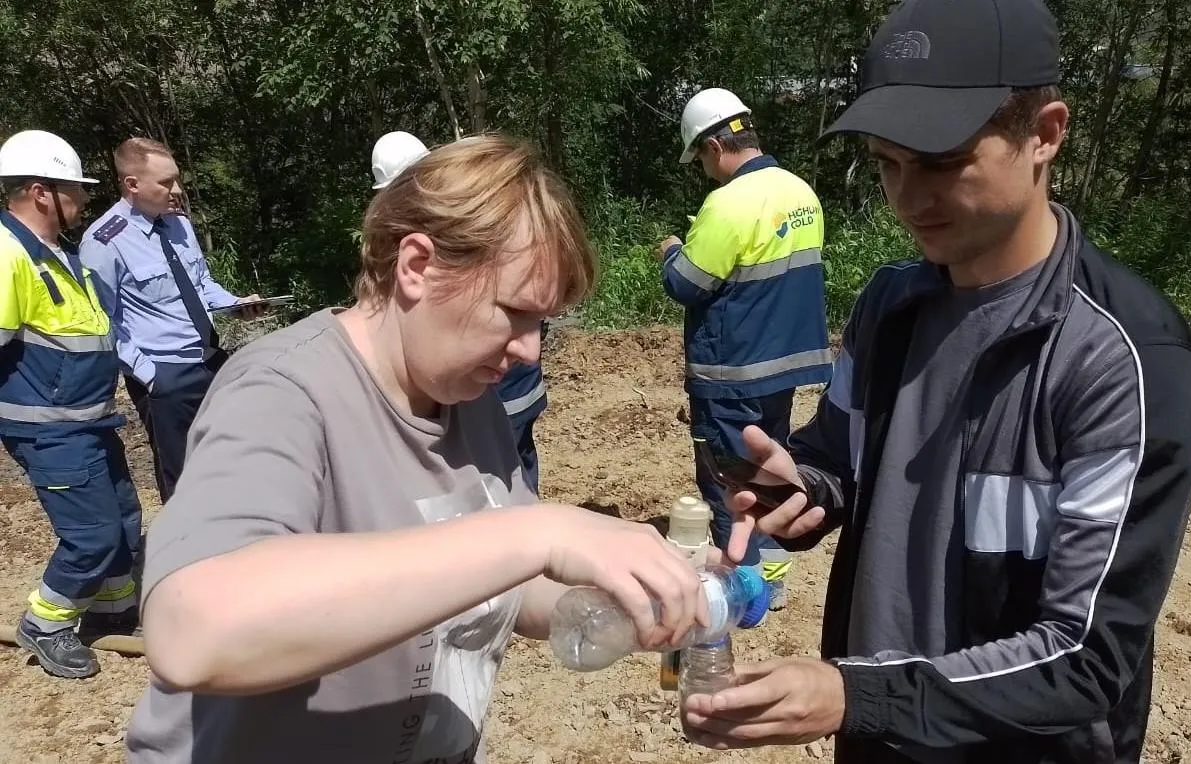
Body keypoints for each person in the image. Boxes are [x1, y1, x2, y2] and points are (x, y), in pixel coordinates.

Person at [680, 1, 1191, 763]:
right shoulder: (891, 305)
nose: (909, 199)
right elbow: (841, 457)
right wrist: (805, 488)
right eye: (887, 164)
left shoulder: (1122, 358)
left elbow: (1087, 655)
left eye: (940, 162)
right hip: (884, 736)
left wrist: (858, 696)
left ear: (1045, 133)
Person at [125, 134, 707, 763]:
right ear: (417, 266)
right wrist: (540, 532)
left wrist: (633, 597)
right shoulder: (281, 391)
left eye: (542, 323)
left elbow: (506, 586)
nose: (530, 350)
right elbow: (194, 631)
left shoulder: (467, 398)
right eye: (514, 312)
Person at [656, 87, 832, 609]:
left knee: (726, 477)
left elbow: (687, 284)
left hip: (731, 370)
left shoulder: (727, 203)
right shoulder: (800, 192)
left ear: (714, 146)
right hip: (783, 366)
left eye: (699, 159)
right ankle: (773, 573)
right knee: (771, 467)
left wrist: (672, 251)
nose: (703, 170)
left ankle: (742, 584)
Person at [0, 130, 144, 679]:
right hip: (50, 429)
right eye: (74, 189)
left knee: (125, 523)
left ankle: (113, 610)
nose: (84, 198)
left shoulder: (62, 254)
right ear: (41, 192)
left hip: (90, 420)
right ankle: (45, 624)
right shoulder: (9, 253)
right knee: (92, 535)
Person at [79, 138, 265, 503]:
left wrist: (236, 304)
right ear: (132, 184)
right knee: (183, 479)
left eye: (176, 179)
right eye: (166, 182)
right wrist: (151, 376)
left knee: (232, 458)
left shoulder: (179, 224)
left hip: (210, 361)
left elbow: (201, 285)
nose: (177, 189)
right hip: (166, 376)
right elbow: (103, 322)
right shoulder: (104, 242)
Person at [373, 130, 551, 493]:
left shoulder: (463, 228)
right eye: (513, 311)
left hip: (505, 398)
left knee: (511, 479)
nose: (532, 350)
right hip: (504, 398)